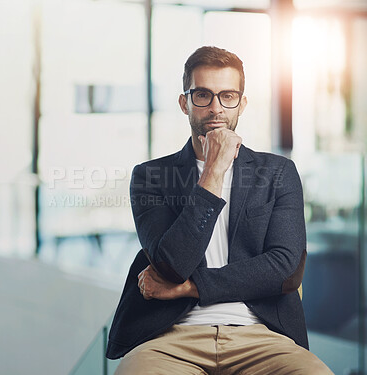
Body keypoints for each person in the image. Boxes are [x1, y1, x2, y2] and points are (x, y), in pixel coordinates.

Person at [106, 46, 333, 374]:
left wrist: (190, 287)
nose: (216, 108)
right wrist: (213, 170)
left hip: (261, 335)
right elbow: (172, 265)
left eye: (227, 96)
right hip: (171, 338)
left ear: (241, 103)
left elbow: (284, 268)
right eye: (203, 95)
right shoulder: (151, 177)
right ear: (184, 102)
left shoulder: (278, 173)